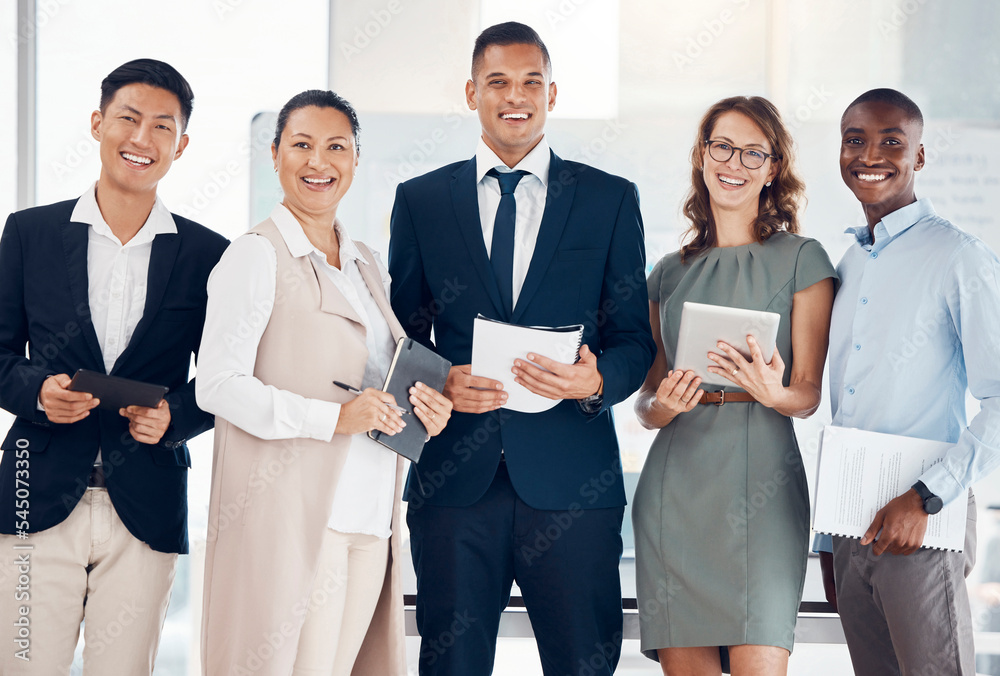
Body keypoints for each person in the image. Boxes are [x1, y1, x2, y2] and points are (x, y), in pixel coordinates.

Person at [388, 21, 655, 676]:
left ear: (552, 94)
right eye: (499, 82)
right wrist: (442, 379)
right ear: (472, 92)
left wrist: (595, 383)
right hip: (454, 484)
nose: (517, 96)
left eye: (531, 82)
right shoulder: (420, 201)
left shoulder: (609, 201)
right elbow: (398, 340)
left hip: (574, 487)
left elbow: (632, 341)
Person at [197, 89, 452, 676]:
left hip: (370, 516)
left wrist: (423, 412)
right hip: (297, 517)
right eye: (302, 145)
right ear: (276, 154)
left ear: (356, 161)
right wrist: (333, 419)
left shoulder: (364, 261)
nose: (319, 162)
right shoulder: (255, 255)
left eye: (336, 147)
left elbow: (378, 379)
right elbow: (217, 384)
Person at [0, 59, 227, 675]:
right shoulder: (30, 234)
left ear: (180, 146)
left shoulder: (211, 254)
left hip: (146, 498)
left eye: (162, 127)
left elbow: (224, 379)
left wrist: (174, 417)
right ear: (98, 123)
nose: (142, 139)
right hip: (35, 495)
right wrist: (36, 392)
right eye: (128, 119)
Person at [632, 96, 836, 676]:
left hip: (763, 487)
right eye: (723, 147)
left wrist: (774, 393)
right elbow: (646, 403)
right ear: (703, 155)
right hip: (677, 489)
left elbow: (807, 392)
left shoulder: (803, 259)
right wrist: (661, 408)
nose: (735, 163)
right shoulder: (668, 272)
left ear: (773, 169)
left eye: (754, 153)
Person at [816, 88, 1000, 676]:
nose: (871, 154)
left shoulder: (958, 257)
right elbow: (843, 408)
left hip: (921, 524)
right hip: (850, 529)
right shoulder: (846, 265)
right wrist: (829, 538)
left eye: (892, 141)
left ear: (919, 157)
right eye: (855, 140)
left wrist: (926, 496)